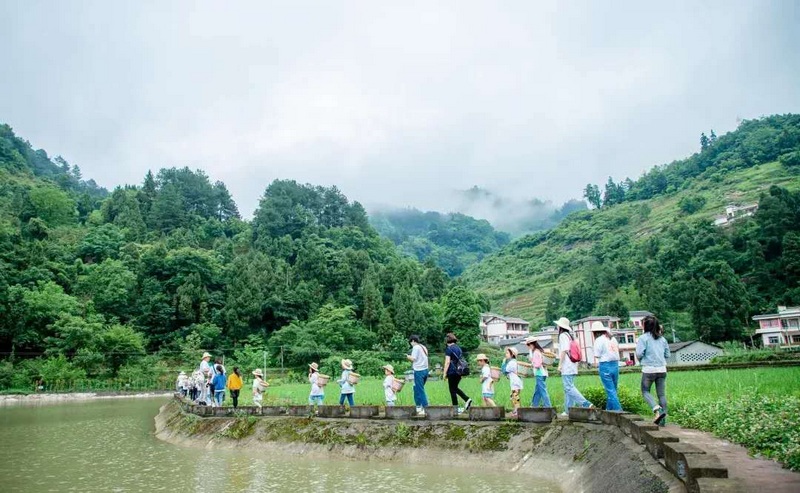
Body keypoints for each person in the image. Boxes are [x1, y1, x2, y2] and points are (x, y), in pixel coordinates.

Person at [636, 315, 670, 425]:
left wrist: (642, 358)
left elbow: (639, 353)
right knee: (661, 394)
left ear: (645, 326)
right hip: (662, 369)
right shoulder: (662, 339)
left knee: (645, 391)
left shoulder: (643, 338)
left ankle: (656, 409)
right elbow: (667, 354)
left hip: (649, 369)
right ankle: (663, 420)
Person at [555, 317, 593, 416]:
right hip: (572, 365)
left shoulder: (563, 335)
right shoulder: (569, 336)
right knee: (568, 388)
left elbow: (564, 350)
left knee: (568, 388)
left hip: (567, 366)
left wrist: (559, 365)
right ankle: (568, 410)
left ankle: (585, 403)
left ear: (560, 327)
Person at [592, 321, 622, 411]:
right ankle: (608, 410)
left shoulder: (598, 340)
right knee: (613, 390)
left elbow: (597, 355)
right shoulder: (612, 339)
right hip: (615, 365)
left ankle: (620, 411)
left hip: (605, 365)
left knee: (610, 391)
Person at [442, 333, 473, 414]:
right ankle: (466, 400)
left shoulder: (448, 349)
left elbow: (447, 362)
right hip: (459, 372)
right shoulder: (458, 348)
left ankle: (456, 408)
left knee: (452, 390)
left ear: (447, 340)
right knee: (454, 388)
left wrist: (444, 373)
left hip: (452, 372)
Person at [525, 337, 552, 407]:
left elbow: (537, 364)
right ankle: (534, 405)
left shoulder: (536, 352)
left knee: (543, 391)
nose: (528, 347)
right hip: (542, 373)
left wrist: (532, 364)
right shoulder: (538, 351)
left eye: (528, 345)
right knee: (538, 391)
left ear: (531, 344)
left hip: (539, 373)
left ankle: (548, 406)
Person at [406, 335, 429, 417]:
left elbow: (413, 359)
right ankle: (418, 406)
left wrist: (407, 357)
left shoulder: (415, 347)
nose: (411, 344)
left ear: (413, 341)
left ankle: (426, 407)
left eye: (410, 342)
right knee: (416, 388)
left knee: (420, 390)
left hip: (419, 371)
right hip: (426, 370)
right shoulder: (423, 347)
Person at [504, 347, 523, 417]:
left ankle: (517, 411)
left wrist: (504, 362)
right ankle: (516, 410)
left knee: (515, 397)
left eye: (507, 353)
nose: (506, 354)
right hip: (517, 381)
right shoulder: (514, 362)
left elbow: (506, 370)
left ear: (512, 354)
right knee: (513, 397)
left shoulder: (511, 362)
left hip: (515, 382)